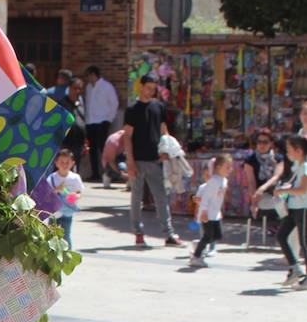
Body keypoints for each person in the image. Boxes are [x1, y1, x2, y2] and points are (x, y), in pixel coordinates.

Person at [124, 74, 181, 248]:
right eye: (148, 87)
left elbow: (164, 131)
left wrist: (167, 150)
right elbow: (127, 136)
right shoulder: (132, 108)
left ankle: (169, 234)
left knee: (161, 197)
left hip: (155, 160)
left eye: (153, 88)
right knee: (136, 198)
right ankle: (138, 233)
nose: (150, 91)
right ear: (141, 86)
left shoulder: (159, 107)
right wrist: (130, 162)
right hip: (138, 160)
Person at [276, 134, 307, 289]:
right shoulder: (298, 165)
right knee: (281, 235)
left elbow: (303, 189)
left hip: (303, 208)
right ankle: (295, 267)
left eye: (289, 149)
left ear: (299, 150)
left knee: (305, 243)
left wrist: (285, 190)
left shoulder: (306, 166)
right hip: (294, 207)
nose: (287, 153)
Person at [189, 153, 232, 268]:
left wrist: (219, 211)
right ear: (218, 167)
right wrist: (203, 212)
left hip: (215, 214)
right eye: (227, 167)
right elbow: (206, 198)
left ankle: (199, 245)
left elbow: (219, 198)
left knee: (217, 235)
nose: (230, 169)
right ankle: (196, 257)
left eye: (230, 167)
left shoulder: (224, 181)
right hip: (207, 213)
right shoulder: (214, 181)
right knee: (208, 236)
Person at [83, 66, 119, 183]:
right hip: (90, 121)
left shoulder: (106, 87)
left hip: (102, 121)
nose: (87, 78)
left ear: (94, 74)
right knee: (92, 149)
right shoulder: (88, 87)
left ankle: (108, 173)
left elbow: (114, 103)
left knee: (103, 148)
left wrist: (109, 119)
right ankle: (95, 173)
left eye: (88, 75)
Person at [50, 146, 83, 246]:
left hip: (68, 212)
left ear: (72, 163)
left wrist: (76, 196)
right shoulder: (52, 177)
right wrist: (56, 189)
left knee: (66, 235)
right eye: (62, 162)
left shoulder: (75, 178)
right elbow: (47, 194)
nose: (64, 165)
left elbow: (79, 191)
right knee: (51, 235)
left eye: (67, 162)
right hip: (54, 212)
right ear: (56, 163)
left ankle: (67, 255)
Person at [244, 128, 282, 200]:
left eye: (265, 142)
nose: (262, 145)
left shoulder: (278, 158)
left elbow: (276, 177)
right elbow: (251, 182)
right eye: (259, 142)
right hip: (259, 198)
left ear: (271, 143)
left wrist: (263, 188)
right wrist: (254, 202)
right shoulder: (250, 160)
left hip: (275, 197)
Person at [60, 76, 87, 168]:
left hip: (78, 143)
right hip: (66, 142)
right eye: (75, 88)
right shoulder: (62, 104)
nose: (77, 91)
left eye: (80, 89)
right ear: (69, 88)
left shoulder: (81, 104)